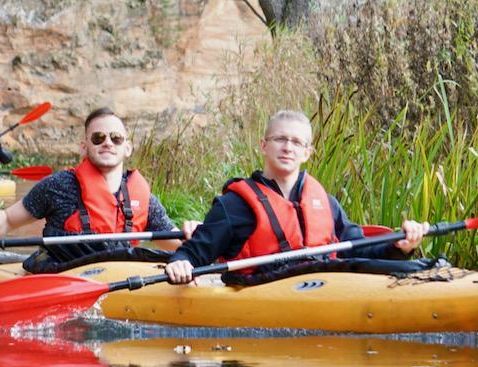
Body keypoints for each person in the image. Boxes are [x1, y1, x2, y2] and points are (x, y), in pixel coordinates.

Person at [164, 110, 428, 284]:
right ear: (264, 146)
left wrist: (400, 247)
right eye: (280, 139)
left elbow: (358, 250)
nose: (288, 147)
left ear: (307, 152)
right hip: (262, 292)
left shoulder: (325, 203)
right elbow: (194, 253)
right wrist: (180, 264)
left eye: (296, 142)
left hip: (323, 288)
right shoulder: (233, 205)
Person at [0, 107, 183, 271]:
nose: (107, 143)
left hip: (122, 279)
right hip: (61, 274)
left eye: (116, 138)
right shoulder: (58, 186)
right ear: (84, 146)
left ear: (127, 148)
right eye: (98, 137)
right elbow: (7, 220)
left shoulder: (144, 199)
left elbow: (177, 243)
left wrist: (203, 234)